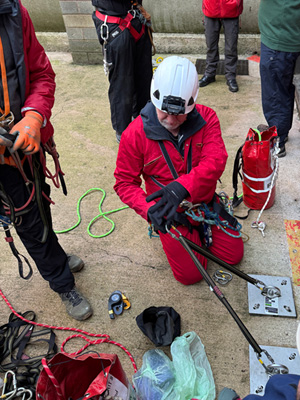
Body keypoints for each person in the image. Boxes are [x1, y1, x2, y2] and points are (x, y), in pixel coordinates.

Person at [114, 56, 244, 285]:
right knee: (191, 276)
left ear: (193, 103)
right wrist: (148, 209)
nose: (172, 120)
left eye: (179, 113)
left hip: (204, 203)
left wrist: (183, 187)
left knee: (233, 256)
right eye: (165, 112)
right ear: (154, 98)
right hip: (169, 214)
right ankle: (190, 235)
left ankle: (202, 229)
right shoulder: (134, 134)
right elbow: (125, 182)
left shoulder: (207, 118)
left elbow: (216, 160)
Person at [0, 0, 93, 321]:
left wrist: (34, 115)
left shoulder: (12, 12)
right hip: (3, 163)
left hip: (28, 140)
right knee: (27, 220)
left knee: (41, 202)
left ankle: (56, 255)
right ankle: (61, 282)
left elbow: (40, 72)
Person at [92, 0, 153, 143]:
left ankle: (142, 117)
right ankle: (122, 129)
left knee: (144, 77)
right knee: (122, 81)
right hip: (114, 23)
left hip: (136, 18)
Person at [258, 0, 300, 158]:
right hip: (289, 32)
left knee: (276, 92)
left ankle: (278, 140)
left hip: (280, 36)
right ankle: (282, 130)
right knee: (286, 87)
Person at [199, 0, 243, 93]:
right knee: (210, 45)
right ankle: (209, 74)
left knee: (231, 47)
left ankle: (230, 76)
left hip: (231, 9)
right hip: (210, 8)